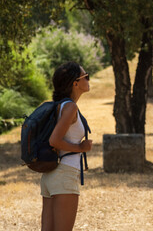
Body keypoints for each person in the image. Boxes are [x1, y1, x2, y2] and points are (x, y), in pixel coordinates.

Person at [40, 61, 92, 231]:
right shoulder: (70, 107)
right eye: (86, 76)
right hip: (64, 174)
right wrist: (81, 148)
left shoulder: (59, 106)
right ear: (75, 83)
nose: (88, 79)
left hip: (50, 176)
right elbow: (54, 141)